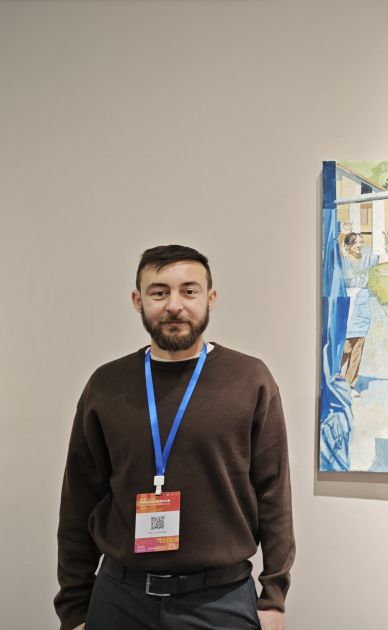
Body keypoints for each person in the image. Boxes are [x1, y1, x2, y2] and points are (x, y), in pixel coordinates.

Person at [55, 245, 294, 630]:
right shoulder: (106, 385)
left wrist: (274, 597)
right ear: (138, 301)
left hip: (220, 600)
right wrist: (74, 608)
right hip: (120, 598)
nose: (174, 305)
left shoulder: (250, 380)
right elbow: (78, 500)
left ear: (210, 299)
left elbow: (274, 492)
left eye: (189, 291)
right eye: (159, 292)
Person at [339, 226, 388, 397]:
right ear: (348, 246)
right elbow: (336, 249)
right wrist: (342, 234)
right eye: (357, 242)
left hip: (362, 310)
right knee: (345, 347)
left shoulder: (367, 259)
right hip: (346, 308)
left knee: (357, 348)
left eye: (362, 242)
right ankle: (337, 377)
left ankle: (350, 385)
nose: (361, 245)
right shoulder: (342, 260)